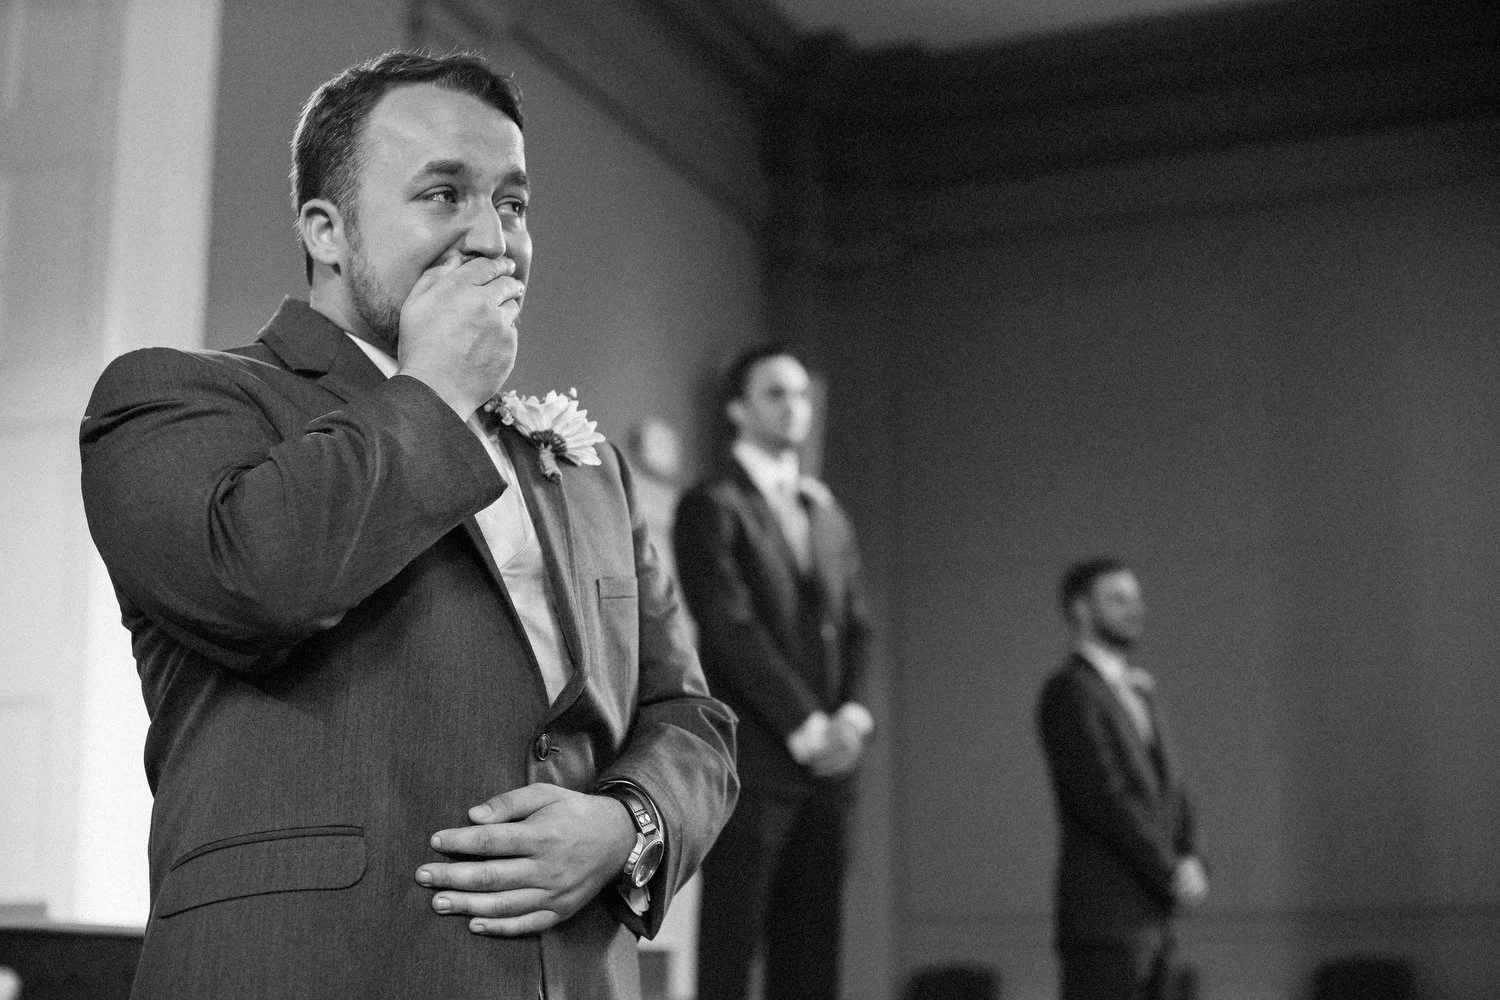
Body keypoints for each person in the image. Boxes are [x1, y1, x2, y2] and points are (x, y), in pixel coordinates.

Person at [79, 51, 737, 1000]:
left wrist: (627, 824)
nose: (493, 239)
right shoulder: (177, 399)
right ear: (327, 230)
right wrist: (434, 389)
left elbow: (693, 719)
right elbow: (263, 579)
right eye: (443, 194)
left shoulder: (593, 476)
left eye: (512, 204)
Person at [672, 346, 876, 1000]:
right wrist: (805, 724)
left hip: (830, 775)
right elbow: (728, 627)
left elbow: (859, 624)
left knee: (815, 952)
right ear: (738, 408)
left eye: (801, 396)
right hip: (756, 763)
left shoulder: (827, 513)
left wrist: (850, 716)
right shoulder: (712, 503)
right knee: (732, 950)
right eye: (775, 394)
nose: (795, 409)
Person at [1036, 558, 1208, 1000]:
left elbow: (1173, 788)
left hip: (1153, 921)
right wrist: (1170, 870)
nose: (1135, 609)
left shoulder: (1139, 690)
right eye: (1117, 599)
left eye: (1136, 598)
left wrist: (1192, 857)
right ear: (1080, 610)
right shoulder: (1069, 691)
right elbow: (1104, 798)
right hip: (1104, 921)